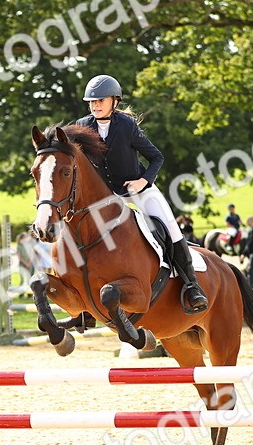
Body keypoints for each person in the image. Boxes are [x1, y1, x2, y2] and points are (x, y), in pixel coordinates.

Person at [76, 74, 207, 312]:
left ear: (114, 101)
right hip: (106, 199)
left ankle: (192, 286)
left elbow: (156, 157)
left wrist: (142, 180)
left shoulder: (126, 126)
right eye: (91, 102)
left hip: (138, 190)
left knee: (170, 226)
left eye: (100, 101)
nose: (95, 105)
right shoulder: (83, 126)